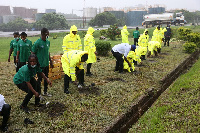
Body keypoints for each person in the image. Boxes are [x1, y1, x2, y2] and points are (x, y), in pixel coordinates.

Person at [32, 28, 53, 97]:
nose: (48, 35)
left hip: (46, 64)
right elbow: (33, 53)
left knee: (46, 78)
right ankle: (39, 94)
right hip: (40, 65)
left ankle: (45, 92)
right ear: (43, 34)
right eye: (47, 34)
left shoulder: (48, 42)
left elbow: (47, 52)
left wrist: (51, 61)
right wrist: (34, 63)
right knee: (39, 80)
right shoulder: (37, 43)